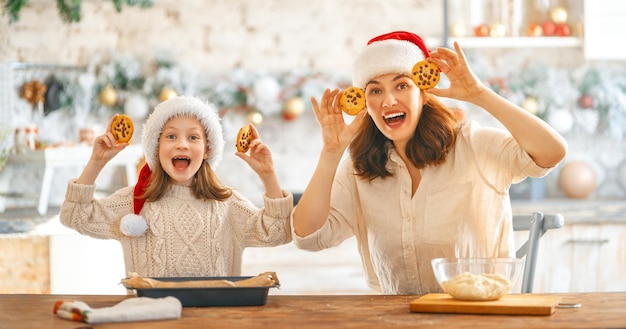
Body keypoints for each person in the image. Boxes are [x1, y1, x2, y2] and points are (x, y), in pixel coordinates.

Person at [291, 31, 568, 294]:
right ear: (365, 104)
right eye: (375, 91)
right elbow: (308, 236)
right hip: (397, 318)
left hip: (478, 315)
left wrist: (480, 95)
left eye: (401, 85)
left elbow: (551, 152)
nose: (388, 100)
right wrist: (330, 153)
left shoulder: (472, 144)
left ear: (423, 94)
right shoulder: (360, 167)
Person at [60, 95, 293, 278]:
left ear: (207, 150)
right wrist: (97, 162)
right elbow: (75, 216)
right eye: (171, 137)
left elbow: (277, 232)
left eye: (193, 138)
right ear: (156, 148)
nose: (182, 144)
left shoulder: (227, 204)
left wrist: (268, 174)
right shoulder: (133, 204)